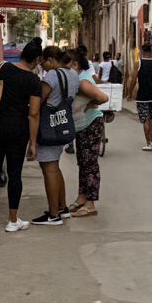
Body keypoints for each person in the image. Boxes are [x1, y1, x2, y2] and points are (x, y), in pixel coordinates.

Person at [31, 47, 105, 225]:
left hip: (76, 125)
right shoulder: (73, 76)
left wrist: (91, 105)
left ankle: (78, 207)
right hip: (72, 124)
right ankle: (74, 202)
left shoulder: (69, 78)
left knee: (85, 165)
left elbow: (102, 97)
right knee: (76, 164)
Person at [0, 37, 44, 232]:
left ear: (21, 54)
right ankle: (12, 220)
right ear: (37, 59)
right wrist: (33, 143)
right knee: (15, 174)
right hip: (18, 130)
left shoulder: (2, 67)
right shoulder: (33, 81)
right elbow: (33, 113)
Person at [68, 50, 111, 218]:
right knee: (82, 162)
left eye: (67, 64)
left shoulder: (82, 81)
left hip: (91, 125)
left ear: (75, 64)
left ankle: (90, 203)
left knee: (90, 164)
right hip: (82, 126)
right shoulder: (78, 77)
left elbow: (103, 97)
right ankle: (82, 197)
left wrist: (92, 102)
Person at [135, 36, 152, 151]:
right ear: (151, 50)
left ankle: (148, 143)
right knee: (151, 118)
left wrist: (130, 93)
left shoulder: (138, 63)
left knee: (145, 119)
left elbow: (132, 79)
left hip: (142, 96)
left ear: (141, 51)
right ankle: (151, 140)